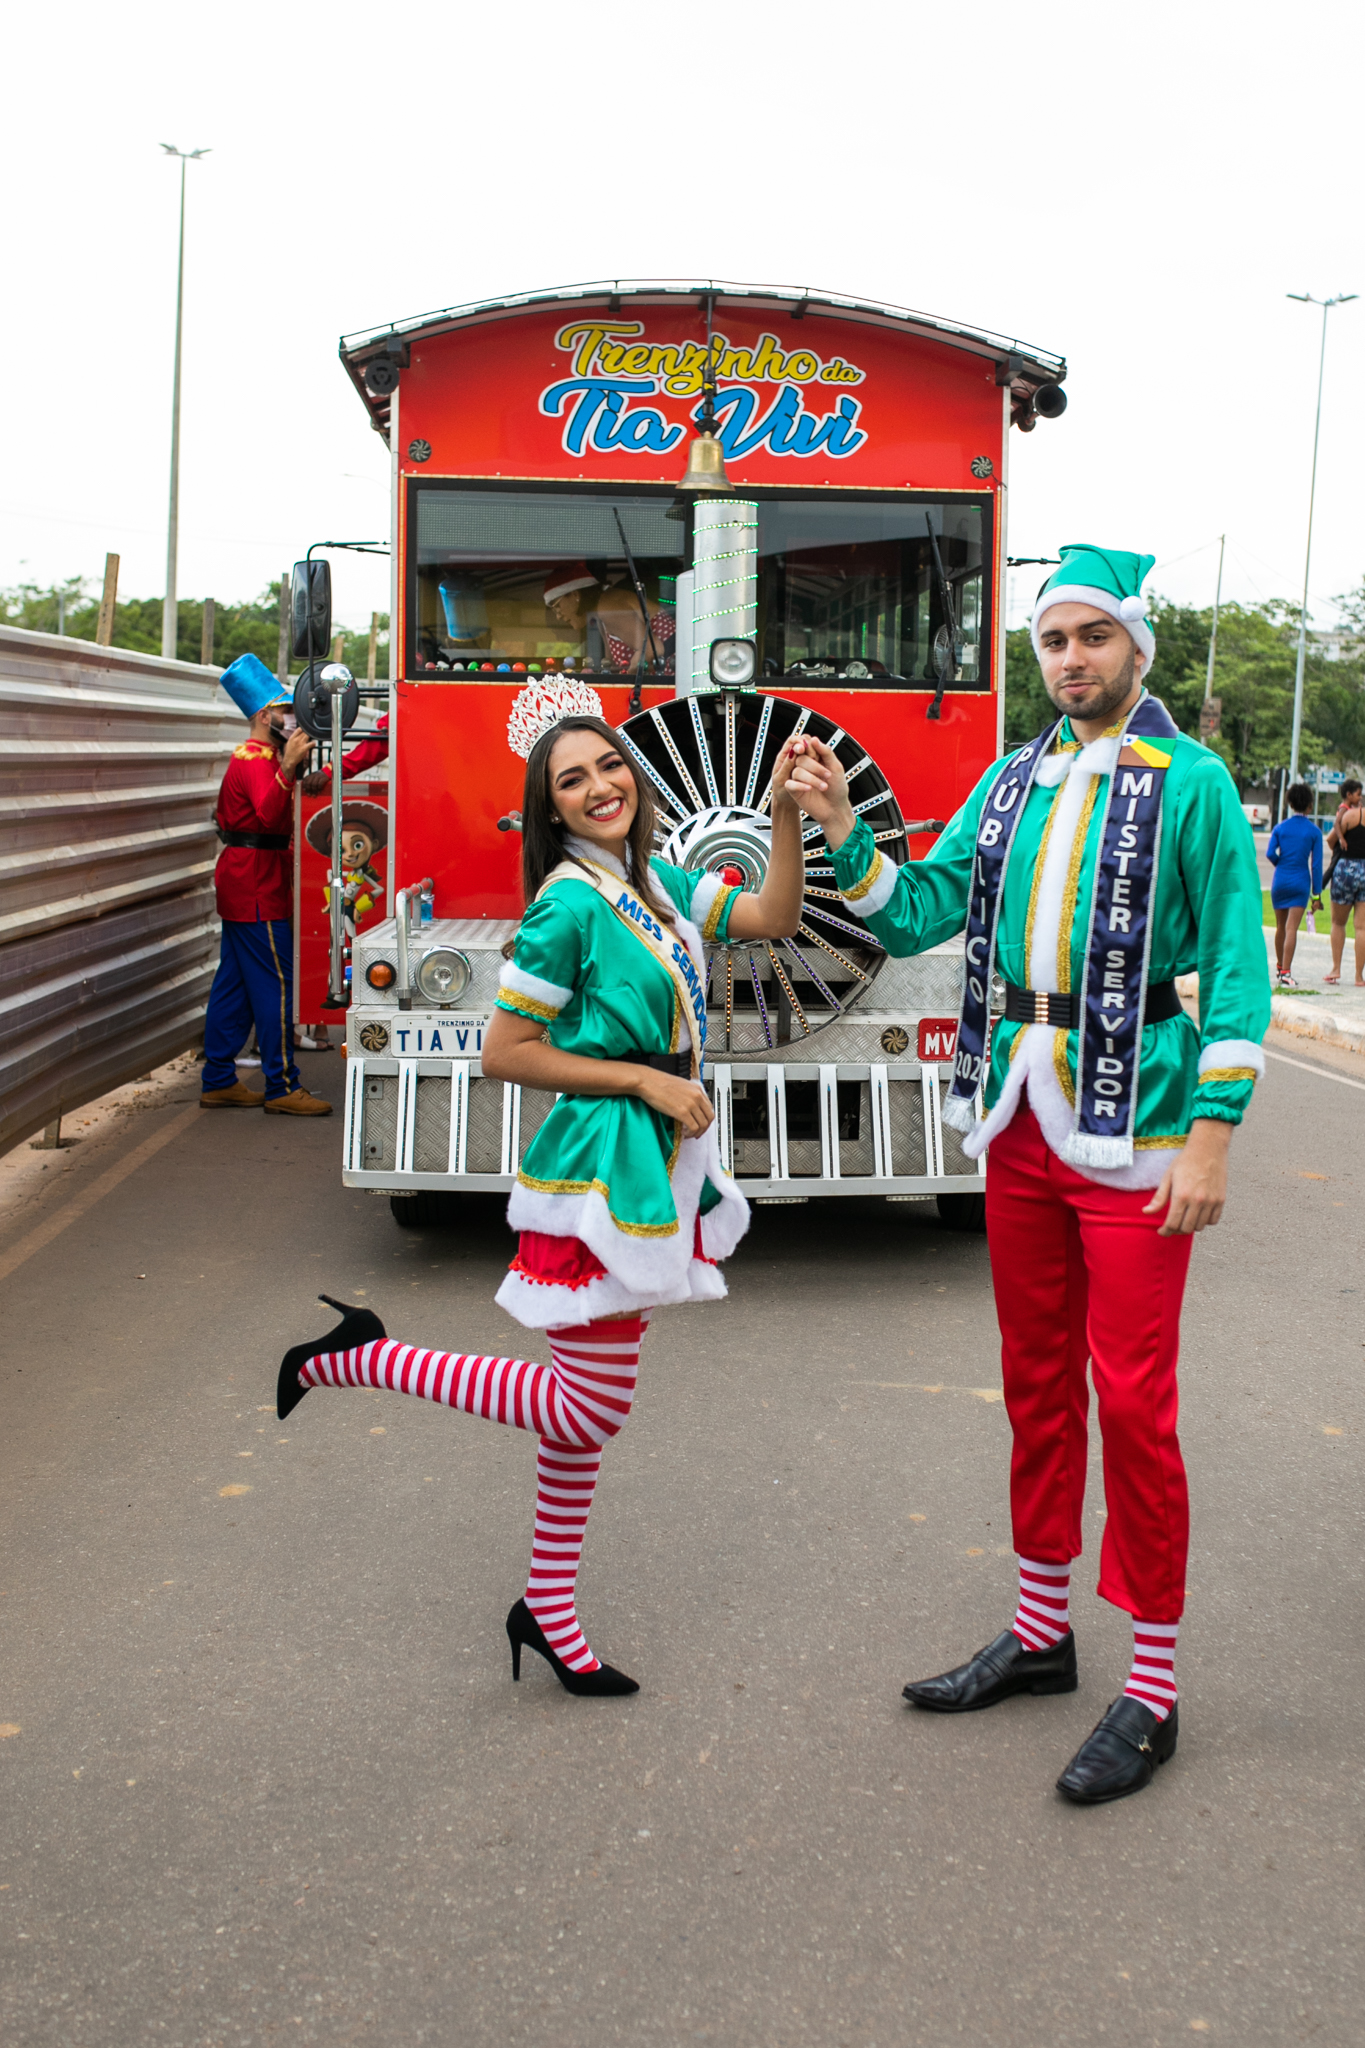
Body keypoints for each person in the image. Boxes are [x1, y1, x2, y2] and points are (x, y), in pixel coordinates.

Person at [787, 543, 1270, 1805]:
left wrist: (1214, 1127)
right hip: (1016, 1123)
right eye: (1053, 641)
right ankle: (1042, 1631)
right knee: (1035, 1385)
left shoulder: (1194, 783)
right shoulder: (1007, 780)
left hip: (1138, 1127)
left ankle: (1152, 1690)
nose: (1071, 660)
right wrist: (841, 827)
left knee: (1137, 1404)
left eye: (1092, 638)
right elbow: (914, 911)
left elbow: (1234, 956)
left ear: (1135, 648)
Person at [273, 684, 814, 1694]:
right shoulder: (568, 902)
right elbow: (506, 1050)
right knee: (589, 1404)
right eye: (573, 779)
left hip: (654, 1151)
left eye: (607, 764)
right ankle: (361, 1356)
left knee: (582, 1412)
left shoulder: (658, 880)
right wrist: (645, 1074)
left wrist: (780, 809)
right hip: (601, 1156)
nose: (599, 784)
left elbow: (776, 913)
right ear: (552, 807)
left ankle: (547, 1610)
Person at [200, 653, 333, 1116]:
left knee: (232, 984)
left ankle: (218, 1077)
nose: (292, 717)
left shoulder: (257, 757)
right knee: (276, 986)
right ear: (264, 716)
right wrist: (289, 767)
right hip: (257, 884)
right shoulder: (258, 761)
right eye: (283, 709)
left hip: (247, 879)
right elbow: (271, 815)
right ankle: (281, 1085)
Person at [1266, 784, 1323, 988]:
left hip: (1280, 880)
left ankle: (1280, 968)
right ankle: (1287, 973)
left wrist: (1280, 863)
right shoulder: (1314, 832)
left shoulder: (1280, 828)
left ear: (1290, 804)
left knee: (1280, 926)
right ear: (1309, 806)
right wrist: (1316, 895)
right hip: (1300, 881)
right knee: (1292, 928)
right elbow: (1316, 866)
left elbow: (1270, 853)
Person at [1324, 778, 1365, 986]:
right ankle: (1359, 976)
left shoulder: (1347, 815)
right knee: (1362, 928)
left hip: (1345, 871)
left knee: (1338, 923)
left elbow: (1331, 840)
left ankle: (1336, 969)